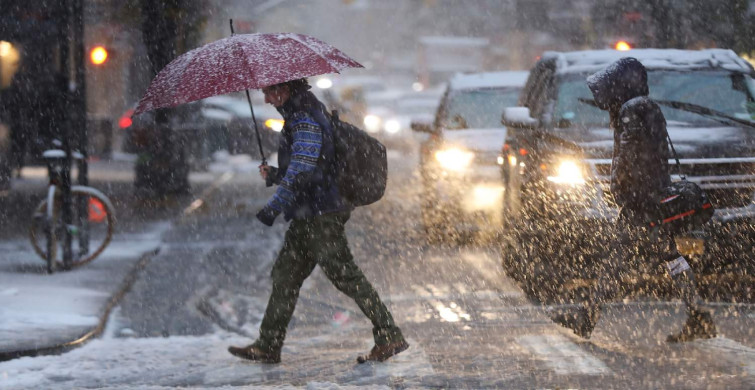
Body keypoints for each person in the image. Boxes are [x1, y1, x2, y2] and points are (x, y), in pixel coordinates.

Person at [228, 78, 408, 363]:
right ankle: (267, 344)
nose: (265, 99)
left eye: (269, 92)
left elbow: (302, 172)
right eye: (263, 93)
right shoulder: (301, 115)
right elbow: (309, 168)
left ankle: (389, 334)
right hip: (308, 214)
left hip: (322, 214)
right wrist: (276, 175)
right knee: (285, 276)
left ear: (285, 90)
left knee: (345, 275)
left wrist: (272, 208)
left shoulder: (305, 120)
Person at [551, 57, 717, 343]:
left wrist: (629, 195)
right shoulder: (645, 107)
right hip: (652, 197)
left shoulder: (631, 110)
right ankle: (698, 315)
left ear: (621, 85)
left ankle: (588, 317)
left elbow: (630, 158)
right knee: (671, 257)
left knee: (616, 261)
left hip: (641, 202)